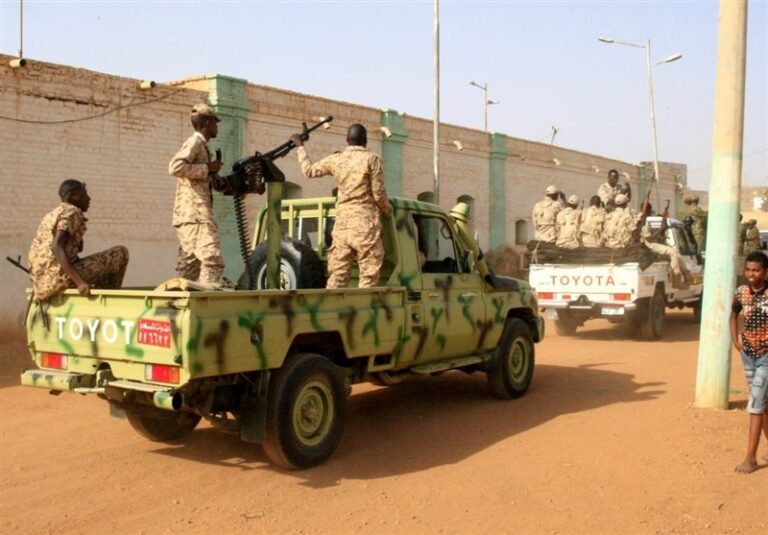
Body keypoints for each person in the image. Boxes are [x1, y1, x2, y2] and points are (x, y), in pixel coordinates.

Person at [291, 123, 392, 288]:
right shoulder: (371, 160)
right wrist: (388, 211)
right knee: (368, 279)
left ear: (347, 140)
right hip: (365, 227)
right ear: (365, 140)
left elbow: (308, 170)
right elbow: (378, 195)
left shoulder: (336, 159)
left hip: (342, 227)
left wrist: (300, 146)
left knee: (337, 280)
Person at [28, 180, 129, 300]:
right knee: (120, 253)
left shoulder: (52, 215)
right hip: (61, 278)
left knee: (96, 264)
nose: (88, 199)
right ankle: (110, 299)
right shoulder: (72, 211)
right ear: (71, 198)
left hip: (43, 283)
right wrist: (79, 282)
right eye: (83, 195)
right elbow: (56, 246)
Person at [168, 103, 225, 284]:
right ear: (207, 123)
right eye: (215, 123)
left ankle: (178, 298)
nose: (216, 127)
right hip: (195, 215)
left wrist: (213, 174)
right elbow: (175, 167)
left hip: (190, 215)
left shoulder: (202, 145)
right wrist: (207, 168)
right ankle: (206, 298)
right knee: (212, 260)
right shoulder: (195, 142)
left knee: (190, 267)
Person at [729, 251, 768, 474]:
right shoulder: (741, 292)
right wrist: (736, 341)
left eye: (756, 270)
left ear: (765, 272)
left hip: (766, 357)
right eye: (748, 270)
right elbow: (734, 315)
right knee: (763, 404)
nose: (751, 274)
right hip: (748, 356)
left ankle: (750, 458)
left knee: (755, 403)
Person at [639, 203, 691, 289]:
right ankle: (677, 280)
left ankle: (687, 276)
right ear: (649, 211)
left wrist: (663, 228)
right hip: (647, 244)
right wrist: (661, 229)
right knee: (673, 252)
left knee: (676, 254)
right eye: (650, 211)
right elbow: (649, 239)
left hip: (648, 242)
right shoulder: (643, 219)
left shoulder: (644, 219)